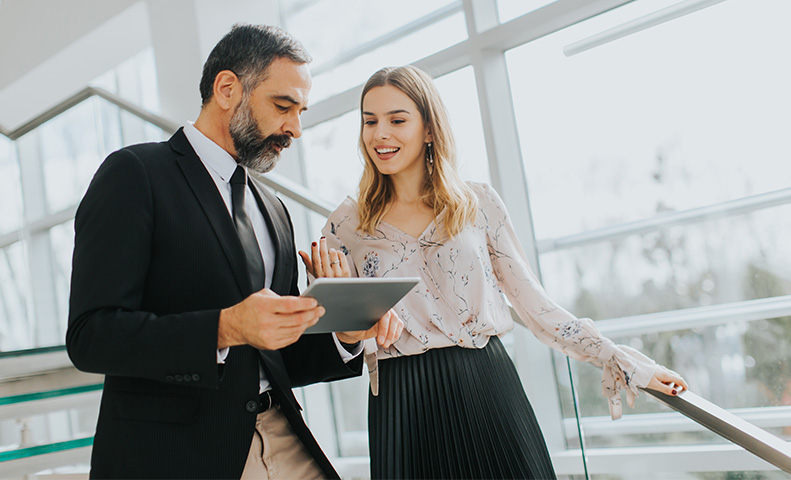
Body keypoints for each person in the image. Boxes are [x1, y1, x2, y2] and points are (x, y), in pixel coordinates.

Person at [303, 65, 689, 479]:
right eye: (370, 121)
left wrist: (619, 358)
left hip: (485, 385)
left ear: (429, 129)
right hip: (403, 399)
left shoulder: (476, 204)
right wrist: (341, 310)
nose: (380, 134)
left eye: (397, 120)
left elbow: (534, 305)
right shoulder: (346, 224)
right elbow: (338, 334)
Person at [66, 24, 402, 479]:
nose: (296, 129)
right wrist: (224, 328)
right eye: (283, 106)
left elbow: (277, 356)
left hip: (281, 434)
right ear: (227, 89)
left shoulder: (273, 207)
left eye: (300, 111)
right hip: (177, 453)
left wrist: (346, 332)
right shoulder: (135, 174)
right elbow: (91, 336)